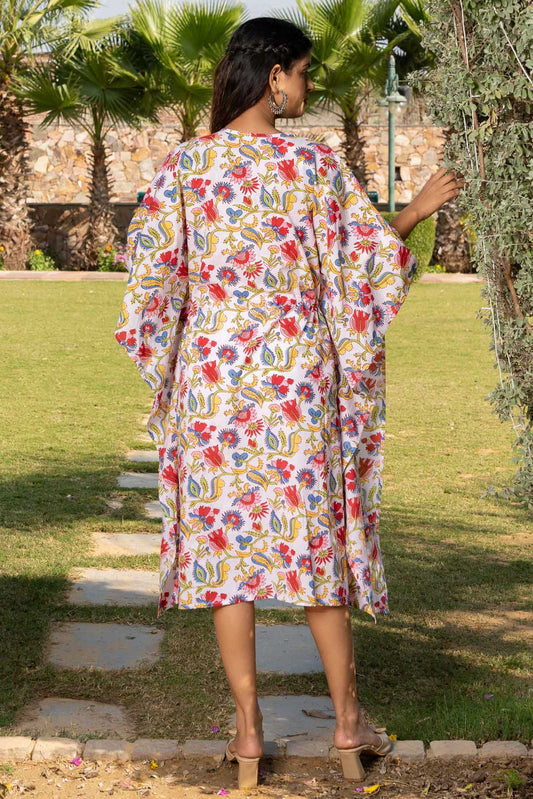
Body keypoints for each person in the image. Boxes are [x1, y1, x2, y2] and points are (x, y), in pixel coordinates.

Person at [115, 16, 464, 790]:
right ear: (273, 76)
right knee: (314, 554)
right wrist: (413, 212)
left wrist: (178, 351)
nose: (307, 87)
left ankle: (247, 733)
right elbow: (359, 267)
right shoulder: (310, 166)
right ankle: (346, 723)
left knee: (228, 562)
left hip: (213, 387)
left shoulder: (186, 166)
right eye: (304, 72)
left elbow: (149, 279)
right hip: (295, 387)